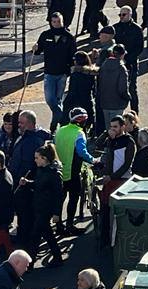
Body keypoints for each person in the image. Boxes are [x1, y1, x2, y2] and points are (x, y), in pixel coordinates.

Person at [9, 110, 52, 242]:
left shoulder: (32, 141)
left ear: (30, 124)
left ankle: (25, 238)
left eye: (21, 123)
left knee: (25, 213)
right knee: (23, 212)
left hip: (25, 184)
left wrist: (21, 180)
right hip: (21, 181)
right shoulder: (25, 136)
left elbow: (28, 164)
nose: (18, 125)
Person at [54, 107, 97, 236]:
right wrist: (94, 161)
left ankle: (59, 226)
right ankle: (70, 226)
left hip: (59, 170)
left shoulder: (60, 130)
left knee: (60, 199)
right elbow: (81, 152)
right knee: (73, 199)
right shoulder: (79, 133)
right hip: (73, 171)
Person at [20, 142, 64, 266]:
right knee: (47, 234)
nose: (35, 160)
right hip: (38, 206)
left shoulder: (54, 174)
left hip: (46, 209)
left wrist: (56, 213)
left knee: (35, 236)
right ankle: (57, 257)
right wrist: (28, 182)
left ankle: (29, 263)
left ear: (44, 159)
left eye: (36, 158)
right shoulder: (41, 170)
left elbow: (58, 195)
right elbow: (38, 185)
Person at [33, 13, 77, 131]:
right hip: (49, 72)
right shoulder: (45, 35)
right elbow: (38, 51)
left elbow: (73, 55)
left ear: (62, 22)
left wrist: (72, 69)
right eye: (54, 22)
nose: (56, 24)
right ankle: (61, 117)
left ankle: (54, 127)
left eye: (58, 21)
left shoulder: (69, 37)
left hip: (63, 73)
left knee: (58, 99)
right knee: (50, 99)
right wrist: (36, 48)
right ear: (51, 22)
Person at [96, 114, 135, 243]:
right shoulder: (110, 139)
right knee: (105, 210)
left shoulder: (129, 142)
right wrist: (106, 135)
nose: (113, 129)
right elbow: (97, 144)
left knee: (118, 213)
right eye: (111, 126)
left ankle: (117, 239)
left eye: (115, 127)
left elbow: (126, 165)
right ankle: (104, 239)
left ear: (123, 127)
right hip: (110, 180)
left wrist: (112, 177)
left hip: (121, 180)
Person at [115, 7, 143, 113]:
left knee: (132, 88)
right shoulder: (116, 28)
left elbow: (139, 47)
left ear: (130, 15)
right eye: (120, 15)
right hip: (118, 63)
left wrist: (128, 58)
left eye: (124, 15)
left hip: (131, 63)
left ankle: (134, 112)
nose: (121, 17)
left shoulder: (136, 29)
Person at [97, 44, 130, 132]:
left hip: (105, 102)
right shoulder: (121, 68)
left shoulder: (103, 65)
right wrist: (127, 98)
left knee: (109, 129)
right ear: (122, 55)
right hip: (118, 103)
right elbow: (122, 89)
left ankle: (109, 145)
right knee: (117, 129)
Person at [62, 52, 97, 132]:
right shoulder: (91, 73)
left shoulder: (75, 74)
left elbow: (72, 90)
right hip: (87, 101)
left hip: (76, 101)